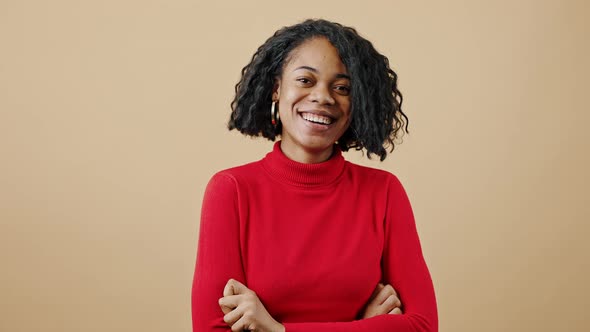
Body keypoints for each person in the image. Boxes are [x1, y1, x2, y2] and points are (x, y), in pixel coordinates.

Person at [192, 19, 438, 332]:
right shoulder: (231, 191)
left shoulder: (384, 192)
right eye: (306, 80)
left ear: (356, 103)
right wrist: (364, 327)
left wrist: (278, 329)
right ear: (277, 89)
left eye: (342, 88)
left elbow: (422, 325)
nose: (323, 97)